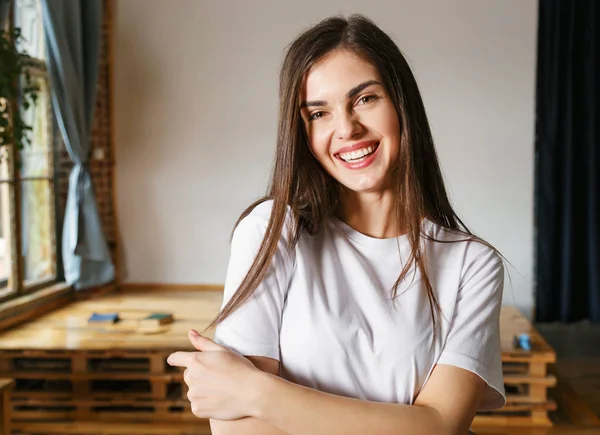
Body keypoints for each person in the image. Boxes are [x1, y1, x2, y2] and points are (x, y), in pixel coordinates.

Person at [168, 14, 506, 435]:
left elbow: (440, 424)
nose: (346, 128)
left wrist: (259, 393)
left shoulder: (472, 264)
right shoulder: (272, 232)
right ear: (303, 132)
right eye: (319, 113)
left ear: (402, 104)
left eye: (365, 99)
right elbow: (239, 430)